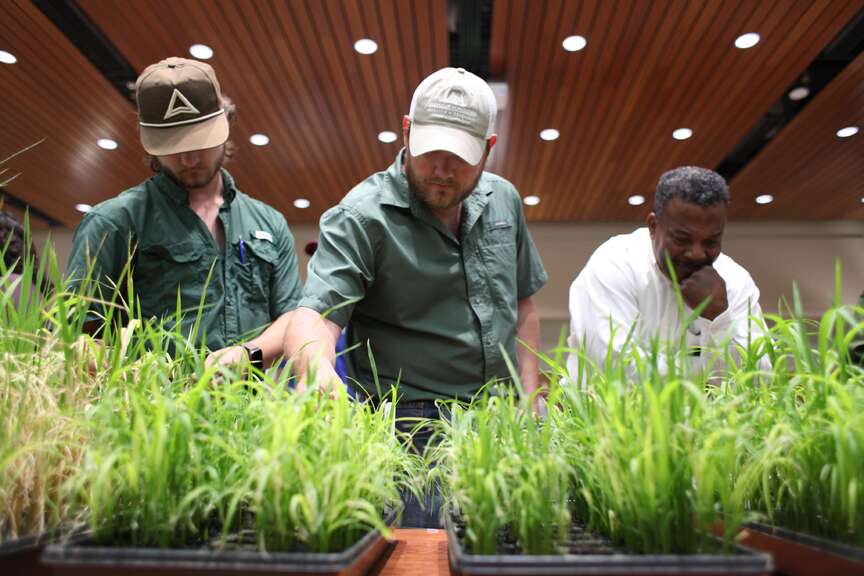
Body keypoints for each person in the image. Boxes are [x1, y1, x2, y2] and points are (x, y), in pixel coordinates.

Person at [251, 67, 548, 526]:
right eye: (431, 153)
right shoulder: (362, 216)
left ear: (489, 149)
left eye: (461, 157)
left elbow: (523, 303)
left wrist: (530, 394)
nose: (443, 171)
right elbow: (315, 315)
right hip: (412, 426)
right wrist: (319, 371)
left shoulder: (504, 201)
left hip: (500, 417)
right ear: (407, 130)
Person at [66, 57, 302, 366]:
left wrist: (248, 355)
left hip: (252, 408)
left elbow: (292, 316)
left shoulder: (269, 224)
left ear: (225, 125)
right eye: (173, 146)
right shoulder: (114, 222)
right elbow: (80, 336)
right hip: (152, 407)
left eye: (199, 142)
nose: (189, 159)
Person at [567, 166, 767, 383]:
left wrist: (720, 317)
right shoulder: (615, 264)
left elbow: (760, 377)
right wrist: (707, 372)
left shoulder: (734, 280)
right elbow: (618, 370)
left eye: (711, 241)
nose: (697, 254)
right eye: (682, 239)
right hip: (603, 415)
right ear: (653, 227)